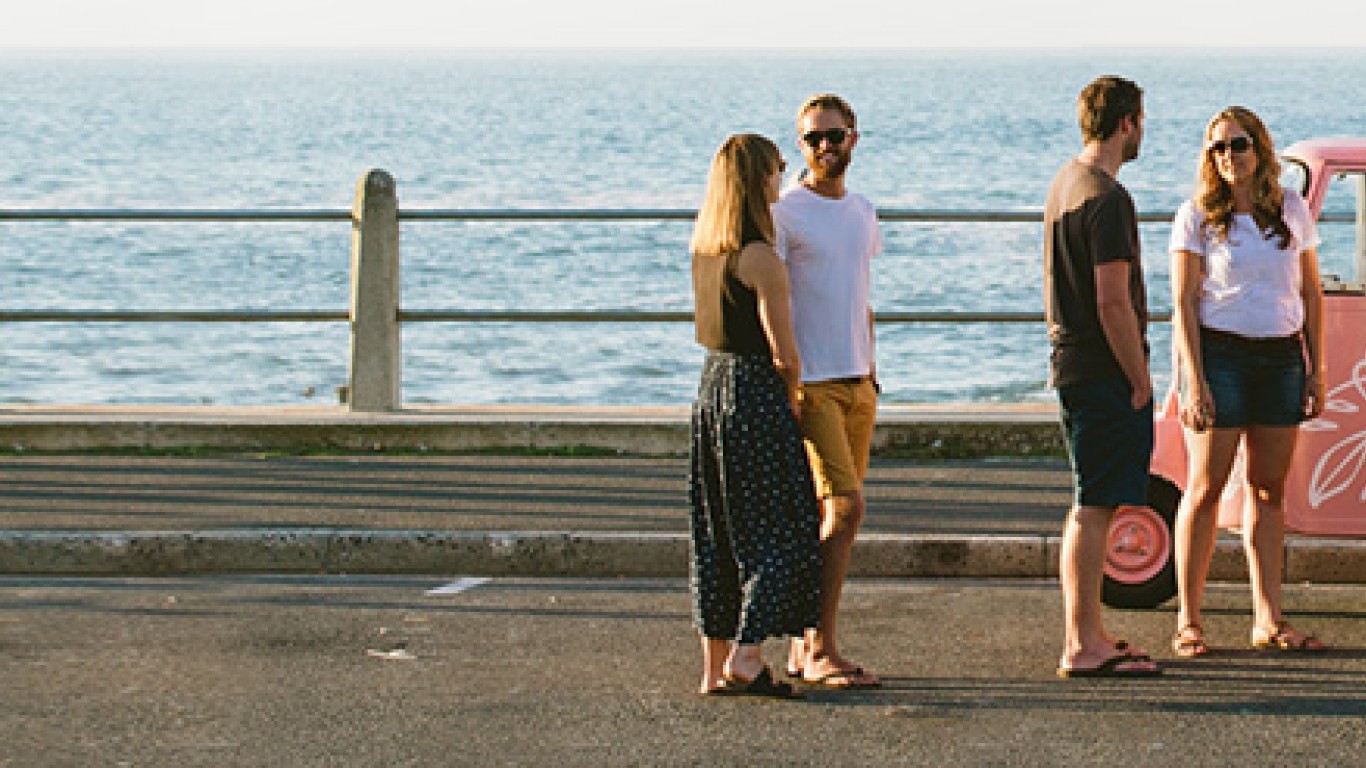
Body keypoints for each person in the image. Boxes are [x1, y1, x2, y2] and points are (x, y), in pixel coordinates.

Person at [1168, 106, 1327, 657]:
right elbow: (1184, 304)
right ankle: (1189, 620)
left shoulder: (1290, 210)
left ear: (1259, 150)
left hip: (1282, 358)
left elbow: (1310, 293)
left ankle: (1268, 618)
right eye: (1217, 148)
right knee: (1206, 489)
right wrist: (1194, 380)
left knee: (1269, 490)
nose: (1229, 156)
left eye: (1238, 145)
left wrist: (1315, 367)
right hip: (1222, 357)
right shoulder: (1196, 217)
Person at [688, 133, 822, 699]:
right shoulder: (760, 257)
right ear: (758, 180)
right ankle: (747, 655)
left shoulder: (706, 250)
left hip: (711, 389)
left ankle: (713, 666)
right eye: (776, 171)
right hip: (754, 392)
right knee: (784, 531)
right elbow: (782, 351)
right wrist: (793, 398)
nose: (781, 181)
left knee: (717, 532)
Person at [1044, 76, 1162, 678]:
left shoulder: (1066, 182)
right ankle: (1081, 641)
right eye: (1141, 120)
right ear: (1126, 123)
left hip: (1070, 362)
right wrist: (1140, 378)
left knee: (1089, 502)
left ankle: (1087, 630)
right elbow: (1112, 300)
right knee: (1094, 506)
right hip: (1100, 369)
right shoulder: (1108, 198)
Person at [773, 93, 882, 689]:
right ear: (801, 147)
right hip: (811, 384)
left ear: (854, 139)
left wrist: (873, 369)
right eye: (812, 139)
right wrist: (787, 380)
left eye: (834, 136)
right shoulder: (786, 213)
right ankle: (821, 646)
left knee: (828, 513)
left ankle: (802, 644)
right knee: (845, 509)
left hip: (858, 382)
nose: (824, 147)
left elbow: (859, 294)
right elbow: (775, 303)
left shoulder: (863, 211)